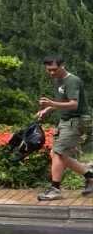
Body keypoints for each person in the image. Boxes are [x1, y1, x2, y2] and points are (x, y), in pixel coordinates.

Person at [36, 57, 93, 200]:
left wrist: (51, 103)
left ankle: (55, 189)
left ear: (63, 65)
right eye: (49, 70)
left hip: (77, 120)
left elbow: (73, 104)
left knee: (58, 153)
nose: (51, 73)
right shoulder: (57, 80)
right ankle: (90, 176)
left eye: (54, 69)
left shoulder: (72, 80)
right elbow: (62, 101)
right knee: (55, 155)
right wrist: (47, 109)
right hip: (65, 120)